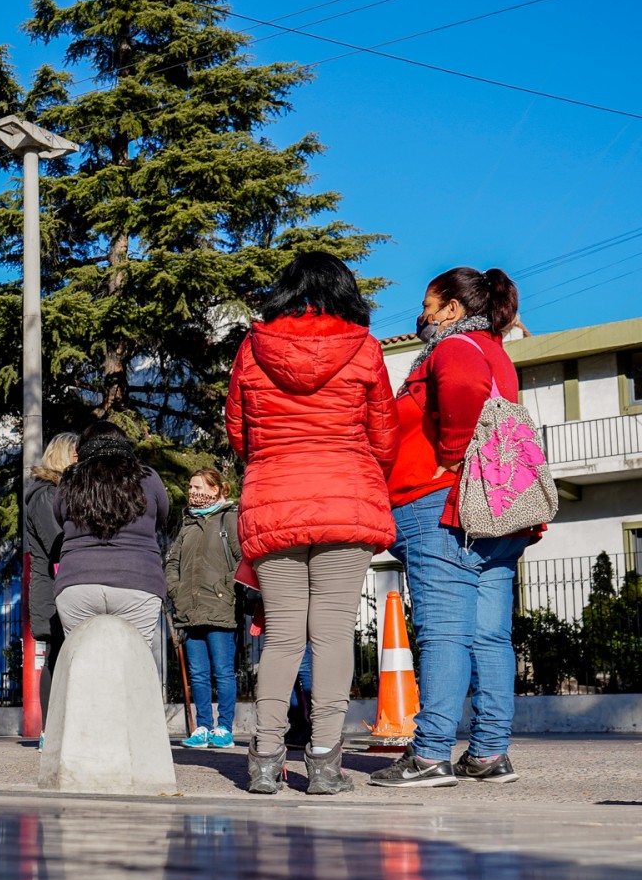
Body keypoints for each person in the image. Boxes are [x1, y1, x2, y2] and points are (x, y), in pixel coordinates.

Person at [226, 251, 398, 795]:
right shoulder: (365, 349)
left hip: (274, 498)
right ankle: (324, 763)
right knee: (330, 636)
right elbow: (385, 436)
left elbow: (239, 433)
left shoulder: (252, 349)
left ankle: (264, 760)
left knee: (281, 638)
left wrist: (276, 459)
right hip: (346, 496)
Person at [370, 267, 533, 788]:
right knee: (489, 635)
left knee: (444, 631)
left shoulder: (453, 348)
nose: (421, 314)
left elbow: (461, 392)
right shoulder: (494, 350)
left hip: (442, 504)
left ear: (452, 309)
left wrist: (452, 457)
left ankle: (430, 754)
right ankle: (488, 751)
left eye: (428, 303)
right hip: (495, 509)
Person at [53, 421, 169, 664]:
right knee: (136, 663)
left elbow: (59, 518)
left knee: (81, 664)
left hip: (78, 582)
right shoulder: (147, 476)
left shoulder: (69, 479)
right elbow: (161, 517)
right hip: (138, 581)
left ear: (83, 449)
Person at [165, 468, 242, 750]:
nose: (192, 492)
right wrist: (175, 589)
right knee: (198, 673)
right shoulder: (187, 524)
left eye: (198, 487)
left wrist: (227, 589)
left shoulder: (228, 518)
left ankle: (224, 728)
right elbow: (172, 562)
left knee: (222, 671)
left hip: (219, 608)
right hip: (189, 609)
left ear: (216, 489)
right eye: (190, 487)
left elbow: (241, 559)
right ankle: (202, 728)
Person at [24, 432, 79, 722]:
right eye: (75, 453)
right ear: (62, 456)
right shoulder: (45, 494)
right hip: (54, 589)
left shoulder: (58, 493)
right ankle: (50, 727)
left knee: (62, 657)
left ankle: (58, 727)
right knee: (56, 657)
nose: (80, 459)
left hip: (62, 586)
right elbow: (57, 544)